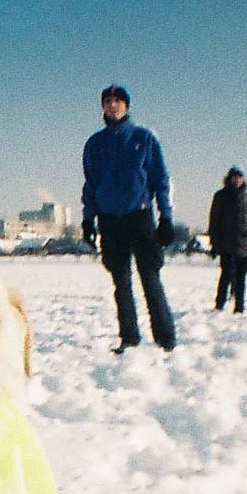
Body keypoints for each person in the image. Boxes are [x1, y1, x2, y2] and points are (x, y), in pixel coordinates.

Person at [82, 84, 176, 352]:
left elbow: (161, 179)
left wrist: (166, 217)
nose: (112, 105)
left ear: (126, 105)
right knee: (120, 282)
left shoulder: (143, 137)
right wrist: (89, 220)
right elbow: (90, 184)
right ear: (103, 106)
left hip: (140, 217)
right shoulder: (95, 144)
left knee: (150, 277)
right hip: (109, 221)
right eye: (108, 101)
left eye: (118, 101)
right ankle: (129, 337)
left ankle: (165, 338)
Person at [207, 166, 247, 313]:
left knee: (241, 277)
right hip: (226, 243)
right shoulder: (221, 196)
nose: (237, 180)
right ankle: (220, 304)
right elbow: (214, 220)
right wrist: (214, 243)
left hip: (243, 243)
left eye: (239, 178)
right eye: (234, 177)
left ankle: (239, 306)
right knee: (226, 274)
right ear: (229, 179)